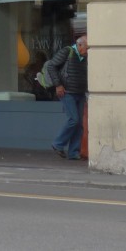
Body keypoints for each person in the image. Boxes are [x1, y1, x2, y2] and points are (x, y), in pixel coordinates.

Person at [46, 32, 88, 160]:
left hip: (80, 93)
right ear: (79, 45)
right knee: (74, 120)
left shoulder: (85, 57)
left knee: (79, 124)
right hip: (67, 92)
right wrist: (58, 85)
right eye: (87, 48)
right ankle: (58, 144)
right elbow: (51, 66)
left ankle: (74, 152)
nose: (88, 51)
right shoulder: (67, 51)